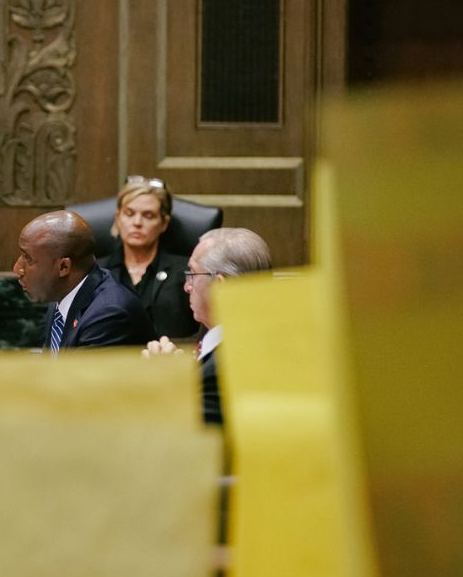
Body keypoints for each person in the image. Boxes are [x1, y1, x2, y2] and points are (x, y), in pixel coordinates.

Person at [145, 227, 271, 425]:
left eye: (193, 274)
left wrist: (162, 379)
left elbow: (182, 434)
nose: (187, 286)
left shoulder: (225, 368)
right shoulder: (254, 335)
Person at [14, 210, 158, 351]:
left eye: (28, 258)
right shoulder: (61, 294)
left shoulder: (108, 316)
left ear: (63, 267)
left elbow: (74, 375)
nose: (17, 269)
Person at [98, 176, 200, 339]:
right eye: (129, 214)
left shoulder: (187, 273)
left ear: (164, 223)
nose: (137, 222)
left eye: (148, 216)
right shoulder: (96, 273)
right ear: (118, 218)